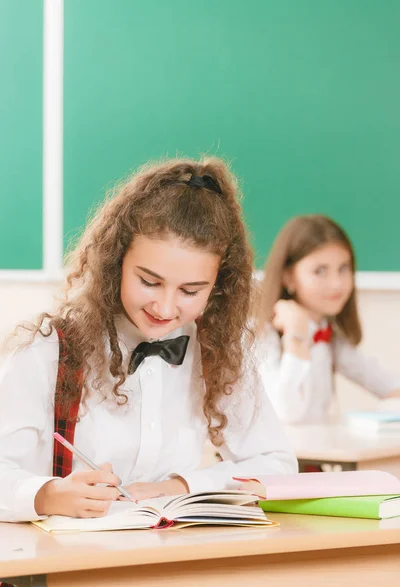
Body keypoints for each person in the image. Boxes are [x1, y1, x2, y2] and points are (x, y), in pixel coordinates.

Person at [0, 157, 297, 524]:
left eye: (190, 290)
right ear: (116, 261)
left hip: (168, 559)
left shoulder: (215, 350)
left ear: (217, 286)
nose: (165, 306)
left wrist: (180, 486)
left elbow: (278, 463)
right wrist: (47, 495)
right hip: (67, 567)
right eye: (149, 282)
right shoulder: (48, 350)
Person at [255, 214, 400, 424]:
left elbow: (385, 383)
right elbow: (286, 412)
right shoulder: (262, 333)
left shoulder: (329, 335)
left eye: (343, 268)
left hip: (314, 453)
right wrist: (297, 335)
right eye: (320, 271)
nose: (336, 283)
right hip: (275, 455)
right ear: (288, 277)